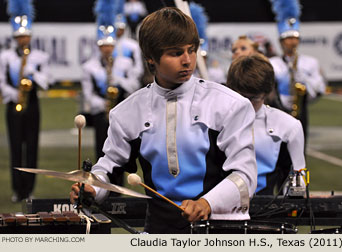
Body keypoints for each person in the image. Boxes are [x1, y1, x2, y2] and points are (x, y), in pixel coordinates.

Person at [71, 7, 257, 234]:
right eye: (176, 53)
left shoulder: (230, 105)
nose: (188, 60)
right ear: (151, 57)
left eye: (191, 50)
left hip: (221, 229)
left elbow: (245, 176)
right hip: (159, 231)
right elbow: (108, 167)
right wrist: (93, 187)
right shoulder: (127, 112)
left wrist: (207, 203)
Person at [227, 54, 306, 195]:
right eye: (242, 97)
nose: (247, 104)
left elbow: (297, 181)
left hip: (264, 209)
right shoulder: (214, 121)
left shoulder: (288, 127)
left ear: (267, 93)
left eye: (254, 98)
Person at [81, 0, 139, 190]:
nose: (107, 49)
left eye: (110, 46)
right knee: (102, 152)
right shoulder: (89, 66)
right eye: (103, 46)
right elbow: (88, 95)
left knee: (122, 153)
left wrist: (117, 79)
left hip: (120, 113)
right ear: (98, 47)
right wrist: (103, 105)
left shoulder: (124, 64)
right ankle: (102, 190)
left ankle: (118, 191)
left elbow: (132, 85)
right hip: (101, 113)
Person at [0, 0, 51, 202]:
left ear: (30, 36)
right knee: (14, 147)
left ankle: (29, 190)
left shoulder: (39, 57)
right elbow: (1, 82)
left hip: (32, 104)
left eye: (26, 35)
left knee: (31, 148)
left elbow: (47, 83)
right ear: (15, 37)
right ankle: (17, 190)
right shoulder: (5, 57)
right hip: (14, 104)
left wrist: (32, 74)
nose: (23, 39)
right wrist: (13, 95)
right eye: (20, 36)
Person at [269, 0, 327, 142]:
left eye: (295, 38)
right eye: (288, 39)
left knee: (301, 146)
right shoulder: (273, 63)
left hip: (301, 110)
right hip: (278, 109)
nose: (292, 42)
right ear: (281, 42)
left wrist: (304, 80)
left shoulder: (310, 62)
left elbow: (320, 88)